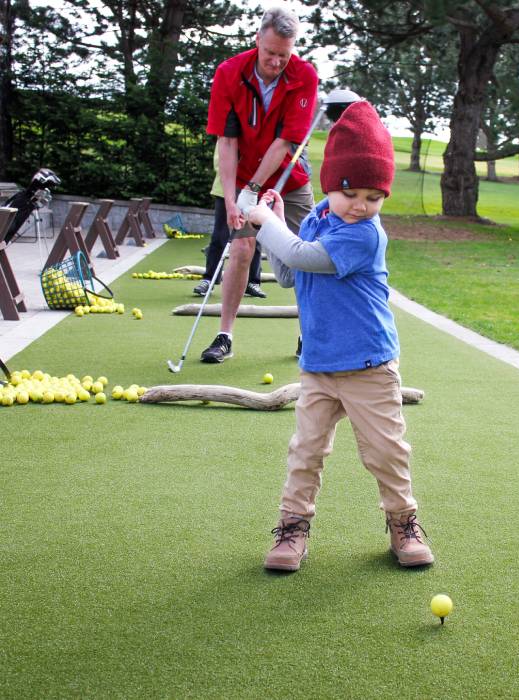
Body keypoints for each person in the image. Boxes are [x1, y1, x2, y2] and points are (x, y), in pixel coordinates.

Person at [247, 101, 434, 572]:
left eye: (375, 196)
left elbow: (304, 257)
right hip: (319, 365)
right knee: (305, 452)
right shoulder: (316, 221)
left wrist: (267, 225)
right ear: (330, 184)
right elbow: (289, 273)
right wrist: (274, 227)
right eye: (351, 193)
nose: (362, 206)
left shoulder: (364, 235)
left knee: (386, 453)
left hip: (369, 365)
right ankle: (292, 530)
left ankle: (402, 523)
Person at [200, 6, 317, 363]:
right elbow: (227, 141)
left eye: (284, 54)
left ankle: (308, 337)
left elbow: (285, 143)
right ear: (257, 41)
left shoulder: (304, 75)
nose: (277, 61)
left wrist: (254, 187)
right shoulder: (229, 73)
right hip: (241, 173)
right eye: (270, 53)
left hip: (290, 178)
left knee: (307, 255)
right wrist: (235, 200)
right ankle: (224, 337)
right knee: (240, 251)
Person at [193, 144, 266, 301]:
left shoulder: (255, 134)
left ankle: (253, 281)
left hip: (251, 189)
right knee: (220, 236)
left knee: (253, 236)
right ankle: (209, 278)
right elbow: (221, 161)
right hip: (225, 190)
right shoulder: (228, 133)